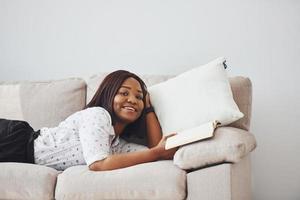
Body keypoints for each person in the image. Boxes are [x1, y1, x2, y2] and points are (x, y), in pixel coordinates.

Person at [0, 70, 177, 171]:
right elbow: (97, 164)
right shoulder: (98, 115)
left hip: (22, 155)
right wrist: (157, 153)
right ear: (108, 94)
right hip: (16, 140)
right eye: (124, 93)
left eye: (139, 97)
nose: (132, 100)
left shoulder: (118, 146)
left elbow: (155, 150)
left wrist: (148, 108)